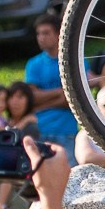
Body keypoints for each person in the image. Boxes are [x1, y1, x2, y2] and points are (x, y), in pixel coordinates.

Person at [21, 14, 77, 147]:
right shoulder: (33, 63)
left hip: (66, 131)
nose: (41, 38)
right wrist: (61, 92)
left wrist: (42, 103)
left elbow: (72, 99)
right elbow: (32, 97)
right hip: (39, 131)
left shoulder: (74, 61)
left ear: (59, 34)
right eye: (38, 33)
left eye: (46, 33)